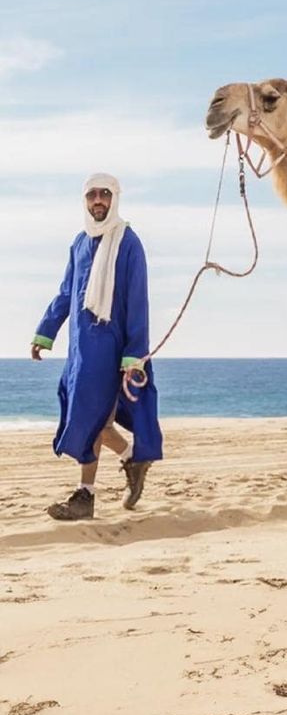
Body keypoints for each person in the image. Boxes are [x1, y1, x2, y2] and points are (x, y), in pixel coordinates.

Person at [30, 174, 163, 519]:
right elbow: (66, 293)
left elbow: (138, 299)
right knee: (99, 423)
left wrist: (134, 353)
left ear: (115, 198)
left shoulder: (128, 242)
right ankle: (133, 459)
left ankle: (85, 496)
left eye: (105, 194)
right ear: (85, 200)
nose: (99, 200)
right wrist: (44, 332)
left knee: (90, 419)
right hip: (80, 351)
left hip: (113, 349)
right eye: (92, 195)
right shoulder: (79, 243)